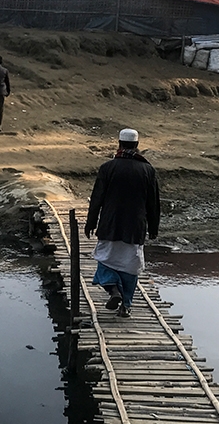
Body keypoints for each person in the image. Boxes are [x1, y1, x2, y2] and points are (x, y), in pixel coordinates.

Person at [84, 128, 161, 318]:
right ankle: (126, 305)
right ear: (136, 146)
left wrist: (91, 222)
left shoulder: (107, 168)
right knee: (130, 266)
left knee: (105, 260)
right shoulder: (147, 170)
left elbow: (97, 199)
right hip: (135, 228)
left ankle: (113, 291)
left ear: (119, 144)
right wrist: (153, 227)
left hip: (110, 224)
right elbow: (153, 203)